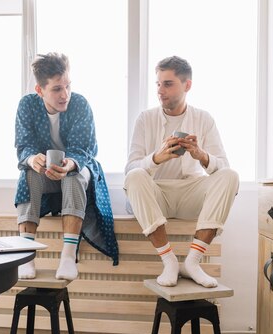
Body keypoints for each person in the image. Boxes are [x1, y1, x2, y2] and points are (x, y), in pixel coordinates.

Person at [124, 56, 239, 288]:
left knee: (231, 176)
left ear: (187, 85)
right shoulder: (145, 119)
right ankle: (169, 261)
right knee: (135, 176)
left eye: (168, 84)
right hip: (156, 193)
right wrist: (156, 158)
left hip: (190, 193)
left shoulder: (204, 119)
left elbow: (223, 166)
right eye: (158, 84)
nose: (160, 90)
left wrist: (201, 155)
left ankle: (193, 262)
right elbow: (130, 169)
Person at [15, 52, 118, 280]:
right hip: (44, 175)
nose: (65, 95)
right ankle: (26, 255)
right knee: (28, 174)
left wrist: (69, 164)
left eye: (68, 86)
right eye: (57, 89)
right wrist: (34, 160)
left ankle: (68, 257)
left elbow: (84, 150)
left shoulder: (79, 104)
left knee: (74, 176)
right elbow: (23, 146)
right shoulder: (27, 106)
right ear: (39, 90)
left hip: (77, 169)